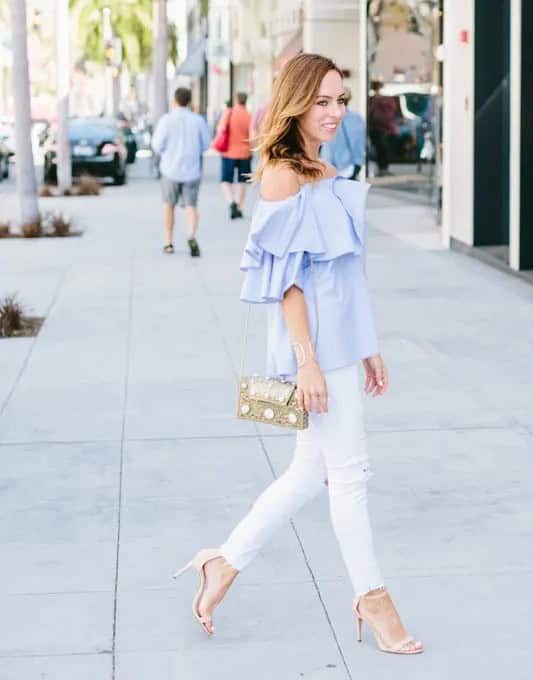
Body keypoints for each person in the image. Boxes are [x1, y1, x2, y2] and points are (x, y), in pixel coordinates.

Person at [173, 53, 423, 656]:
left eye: (340, 100)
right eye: (322, 101)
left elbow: (342, 275)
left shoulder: (322, 165)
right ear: (296, 102)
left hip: (341, 343)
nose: (335, 111)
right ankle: (373, 599)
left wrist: (368, 346)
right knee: (351, 474)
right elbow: (288, 283)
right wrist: (308, 359)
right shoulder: (285, 174)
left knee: (309, 472)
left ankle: (223, 564)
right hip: (316, 348)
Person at [152, 87, 211, 256]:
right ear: (189, 101)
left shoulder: (166, 120)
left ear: (175, 100)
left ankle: (169, 242)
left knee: (168, 206)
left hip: (170, 170)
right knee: (191, 206)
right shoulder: (198, 120)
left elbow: (157, 145)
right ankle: (191, 235)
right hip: (192, 170)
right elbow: (206, 145)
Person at [217, 92, 252, 219]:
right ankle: (238, 206)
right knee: (242, 181)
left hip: (229, 152)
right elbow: (253, 133)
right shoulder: (248, 115)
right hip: (245, 152)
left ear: (236, 100)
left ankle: (231, 202)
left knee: (226, 180)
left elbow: (221, 129)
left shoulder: (229, 112)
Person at [320, 87, 366, 179]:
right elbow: (360, 142)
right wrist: (358, 163)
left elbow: (326, 144)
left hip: (330, 165)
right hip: (352, 165)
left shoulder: (326, 117)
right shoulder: (357, 118)